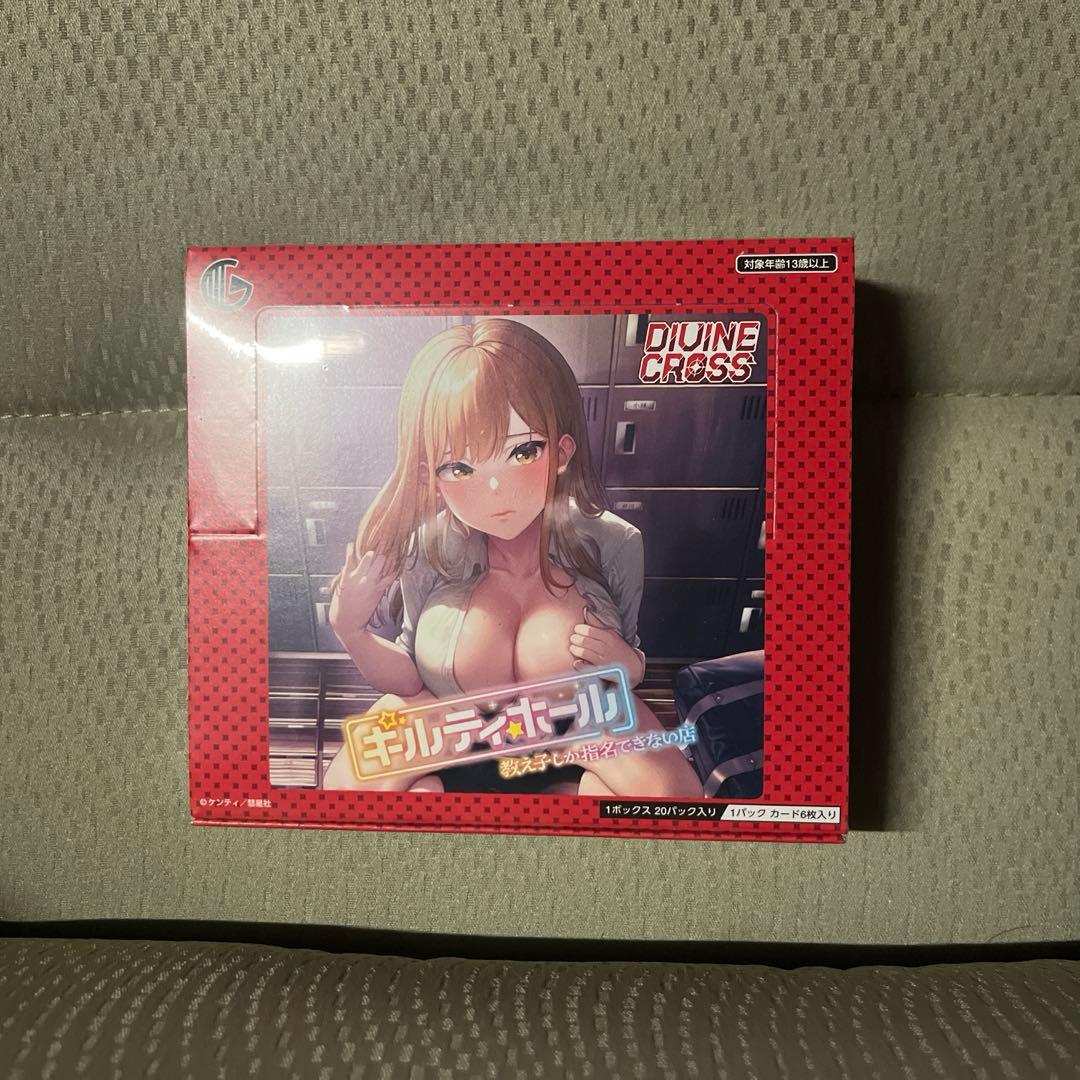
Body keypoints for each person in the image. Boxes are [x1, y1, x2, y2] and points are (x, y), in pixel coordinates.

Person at [322, 318, 702, 798]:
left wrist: (631, 665)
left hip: (575, 727)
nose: (495, 488)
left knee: (670, 797)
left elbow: (626, 666)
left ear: (562, 451)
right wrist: (350, 630)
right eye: (459, 467)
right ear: (428, 473)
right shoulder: (429, 547)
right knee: (347, 792)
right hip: (452, 726)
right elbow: (411, 677)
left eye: (523, 452)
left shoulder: (614, 542)